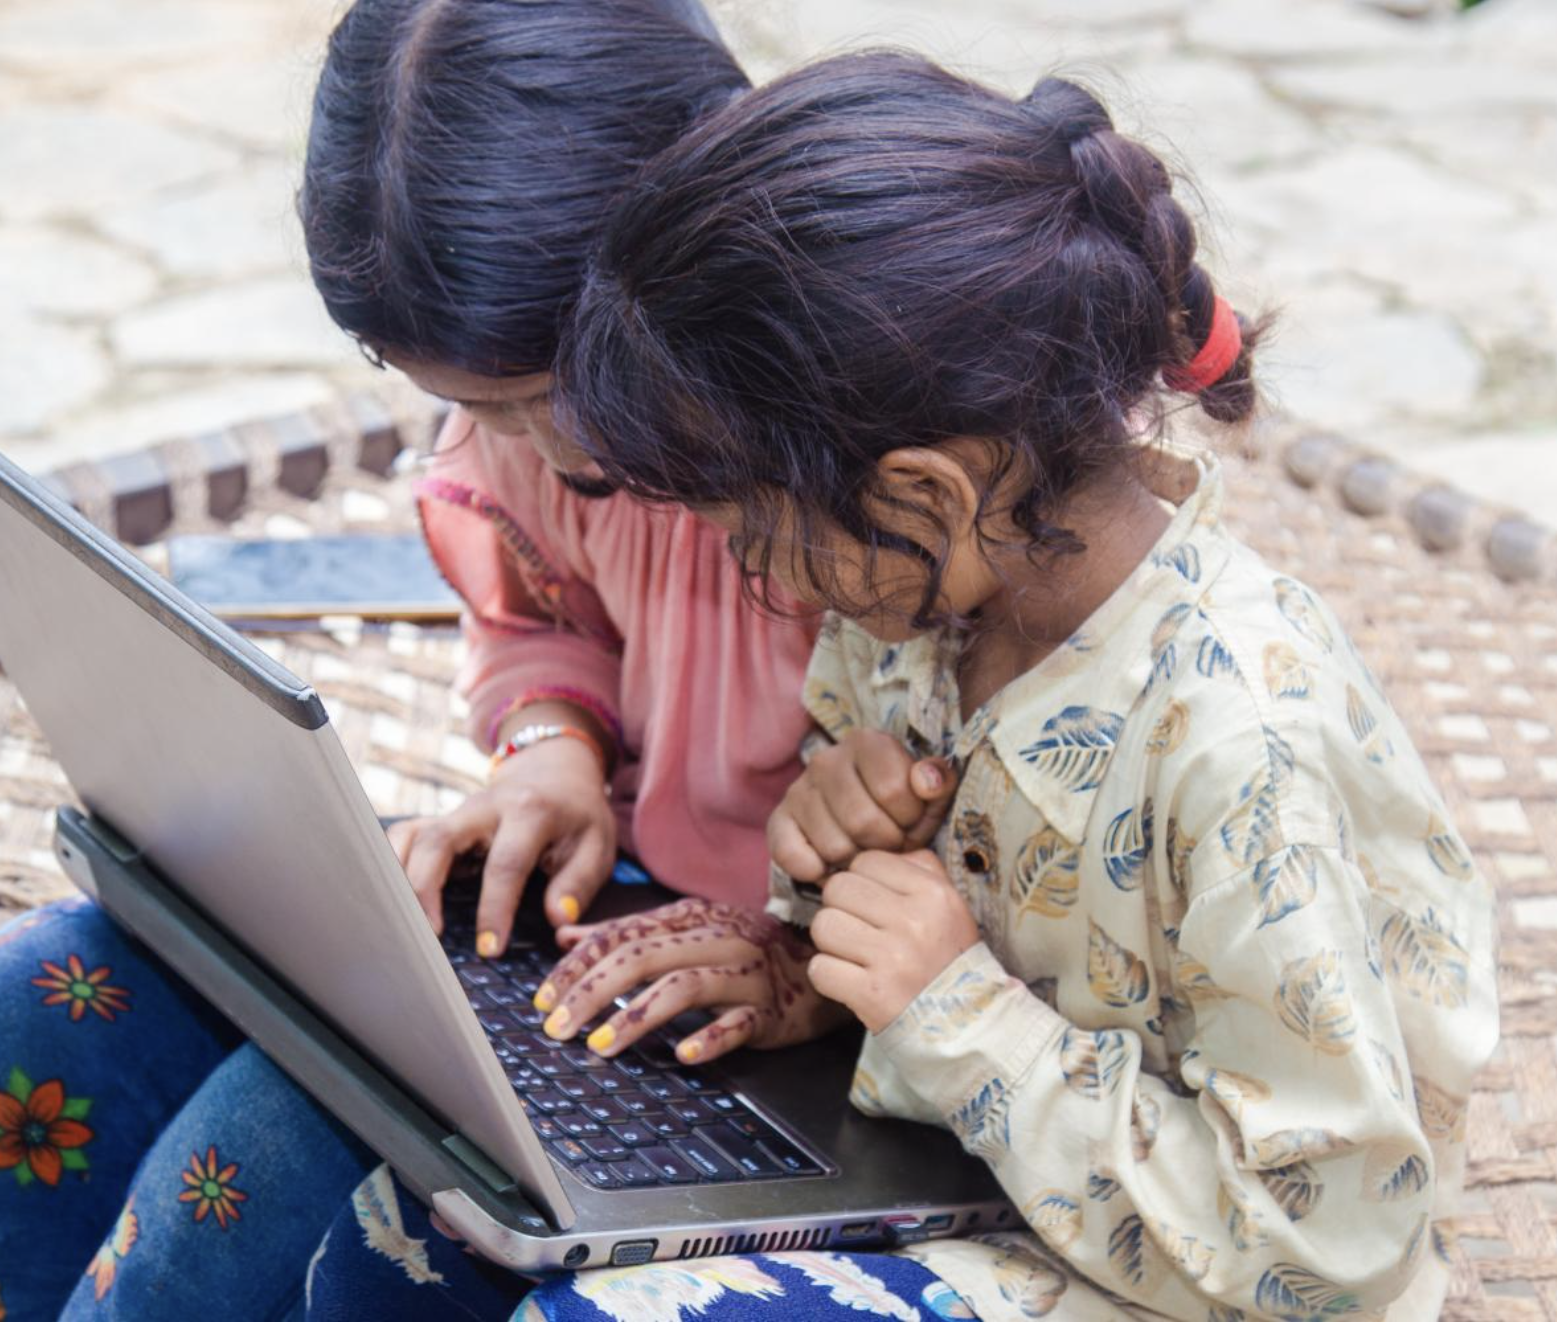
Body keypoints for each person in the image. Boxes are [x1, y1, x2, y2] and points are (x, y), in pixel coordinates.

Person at [495, 51, 1497, 1320]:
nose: (741, 562)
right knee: (436, 1216)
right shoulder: (916, 606)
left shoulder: (1240, 743)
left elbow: (1328, 1246)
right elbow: (956, 936)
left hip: (1209, 1281)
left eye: (743, 520)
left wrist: (953, 1009)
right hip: (990, 1171)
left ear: (924, 491)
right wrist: (817, 939)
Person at [0, 4, 836, 1317]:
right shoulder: (557, 418)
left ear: (691, 257)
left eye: (540, 396)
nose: (540, 451)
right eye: (478, 410)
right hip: (615, 914)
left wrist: (802, 962)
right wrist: (554, 749)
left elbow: (1028, 848)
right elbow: (539, 610)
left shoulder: (883, 474)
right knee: (35, 995)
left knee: (275, 1147)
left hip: (800, 1024)